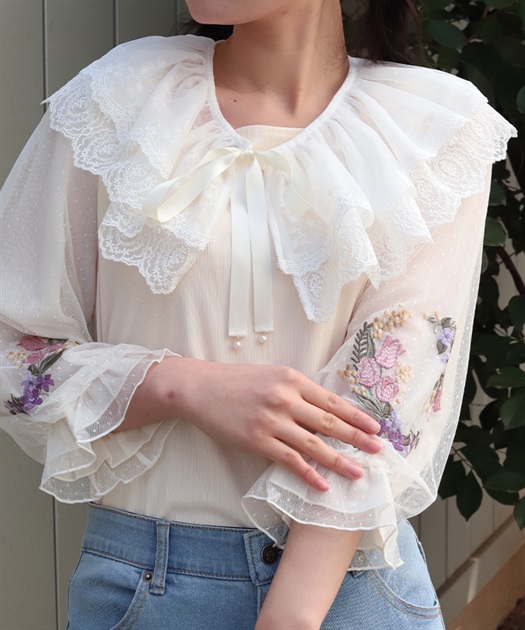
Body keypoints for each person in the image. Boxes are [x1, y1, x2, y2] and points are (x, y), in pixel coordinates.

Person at [0, 0, 516, 628]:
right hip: (144, 587)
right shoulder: (117, 100)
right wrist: (181, 385)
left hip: (348, 590)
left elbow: (386, 406)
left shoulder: (430, 127)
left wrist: (291, 615)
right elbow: (13, 348)